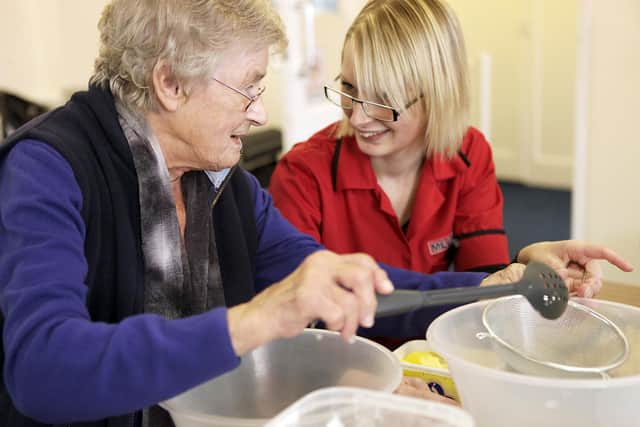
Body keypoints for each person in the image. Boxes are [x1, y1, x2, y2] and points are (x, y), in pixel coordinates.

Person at [0, 0, 548, 425]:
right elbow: (42, 367)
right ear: (169, 83)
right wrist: (258, 319)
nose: (260, 113)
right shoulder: (48, 169)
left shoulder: (226, 188)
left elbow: (343, 284)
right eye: (248, 89)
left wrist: (497, 289)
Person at [269, 0, 631, 305]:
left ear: (437, 96)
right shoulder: (303, 173)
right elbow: (302, 306)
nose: (360, 116)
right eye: (349, 88)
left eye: (384, 100)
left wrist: (524, 262)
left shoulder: (469, 153)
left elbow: (484, 282)